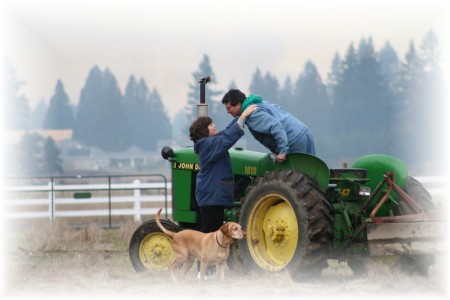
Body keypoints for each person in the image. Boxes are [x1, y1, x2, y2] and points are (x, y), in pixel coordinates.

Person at [189, 104, 257, 236]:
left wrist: (239, 116)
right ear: (204, 131)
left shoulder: (209, 143)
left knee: (214, 235)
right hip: (211, 197)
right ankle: (207, 257)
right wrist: (242, 117)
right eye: (211, 125)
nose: (214, 125)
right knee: (212, 235)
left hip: (211, 196)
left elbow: (226, 132)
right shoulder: (207, 145)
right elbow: (227, 138)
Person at [221, 89, 315, 163]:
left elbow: (276, 126)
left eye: (229, 108)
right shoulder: (257, 103)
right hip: (303, 132)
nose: (227, 111)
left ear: (238, 104)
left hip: (293, 140)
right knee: (311, 174)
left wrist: (282, 151)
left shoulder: (253, 114)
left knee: (296, 179)